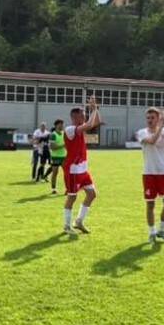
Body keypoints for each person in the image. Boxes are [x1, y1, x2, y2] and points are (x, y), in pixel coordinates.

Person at [136, 108, 164, 244]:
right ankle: (151, 232)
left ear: (158, 118)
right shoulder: (141, 133)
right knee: (150, 205)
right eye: (148, 118)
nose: (150, 120)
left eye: (152, 118)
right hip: (149, 174)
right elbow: (152, 141)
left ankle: (161, 230)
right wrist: (161, 125)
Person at [62, 97, 101, 235]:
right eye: (83, 114)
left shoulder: (79, 127)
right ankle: (66, 226)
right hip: (73, 170)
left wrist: (96, 109)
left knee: (92, 194)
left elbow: (95, 122)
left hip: (83, 169)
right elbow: (90, 124)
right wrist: (94, 109)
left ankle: (79, 221)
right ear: (75, 117)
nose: (85, 116)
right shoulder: (70, 129)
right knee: (72, 197)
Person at [48, 120, 67, 194]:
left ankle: (67, 189)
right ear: (56, 125)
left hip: (64, 156)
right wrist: (63, 145)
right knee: (55, 173)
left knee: (66, 173)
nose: (62, 126)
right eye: (60, 125)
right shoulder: (53, 135)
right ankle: (53, 189)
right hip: (55, 157)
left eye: (62, 124)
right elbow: (52, 147)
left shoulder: (64, 134)